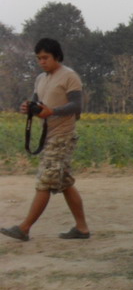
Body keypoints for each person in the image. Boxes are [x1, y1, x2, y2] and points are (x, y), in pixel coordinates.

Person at [1, 38, 90, 241]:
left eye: (45, 57)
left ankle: (24, 228)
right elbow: (37, 102)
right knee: (65, 182)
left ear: (56, 56)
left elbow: (77, 105)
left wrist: (53, 111)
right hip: (49, 135)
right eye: (39, 58)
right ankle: (82, 228)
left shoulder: (69, 77)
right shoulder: (40, 78)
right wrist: (28, 107)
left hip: (63, 136)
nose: (42, 62)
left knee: (45, 182)